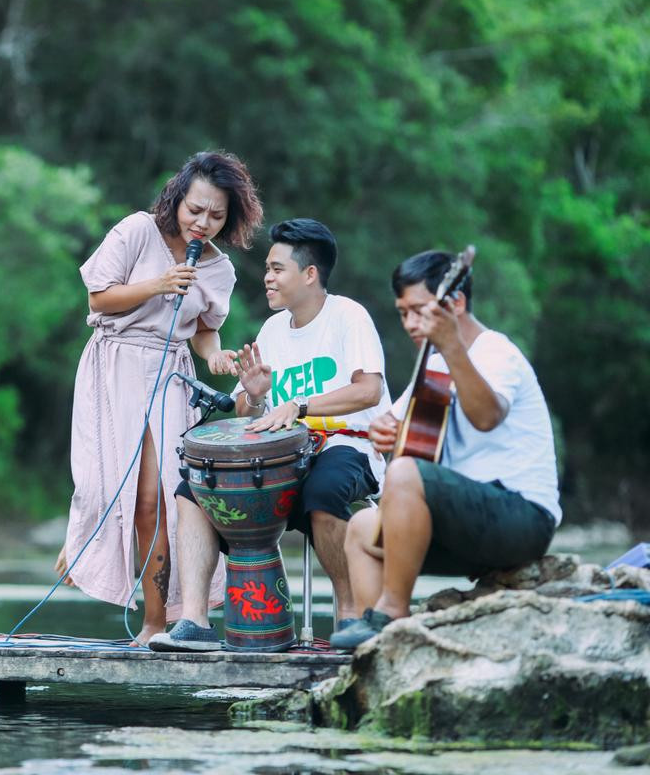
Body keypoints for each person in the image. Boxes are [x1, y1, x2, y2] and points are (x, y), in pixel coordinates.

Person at [150, 218, 390, 651]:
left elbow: (368, 389)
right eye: (267, 268)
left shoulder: (348, 316)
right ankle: (195, 621)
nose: (267, 277)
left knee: (326, 486)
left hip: (346, 446)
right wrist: (257, 396)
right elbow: (248, 409)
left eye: (278, 268)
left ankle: (351, 617)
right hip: (283, 459)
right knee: (194, 488)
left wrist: (300, 407)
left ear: (310, 273)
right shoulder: (272, 330)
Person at [58, 151, 264, 645]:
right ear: (177, 198)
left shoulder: (219, 269)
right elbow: (98, 298)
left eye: (216, 216)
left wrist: (216, 357)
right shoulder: (136, 231)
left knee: (161, 497)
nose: (203, 223)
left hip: (170, 372)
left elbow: (204, 332)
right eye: (196, 210)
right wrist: (158, 284)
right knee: (105, 485)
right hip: (115, 363)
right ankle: (81, 548)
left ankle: (157, 622)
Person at [330, 250, 560, 649]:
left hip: (522, 518)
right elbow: (395, 426)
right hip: (465, 526)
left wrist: (453, 347)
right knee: (361, 526)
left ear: (455, 304)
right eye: (403, 313)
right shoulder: (431, 366)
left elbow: (487, 416)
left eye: (419, 310)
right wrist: (386, 433)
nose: (410, 324)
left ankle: (393, 614)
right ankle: (376, 650)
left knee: (404, 475)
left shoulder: (494, 351)